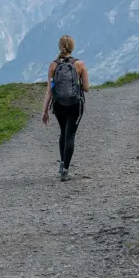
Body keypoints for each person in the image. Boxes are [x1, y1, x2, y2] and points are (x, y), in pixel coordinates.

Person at [41, 35, 89, 181]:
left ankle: (62, 164)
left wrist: (44, 111)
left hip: (58, 104)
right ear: (72, 47)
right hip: (75, 104)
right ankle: (66, 171)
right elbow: (86, 88)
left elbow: (50, 89)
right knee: (70, 135)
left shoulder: (53, 66)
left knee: (63, 132)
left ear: (59, 46)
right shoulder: (80, 65)